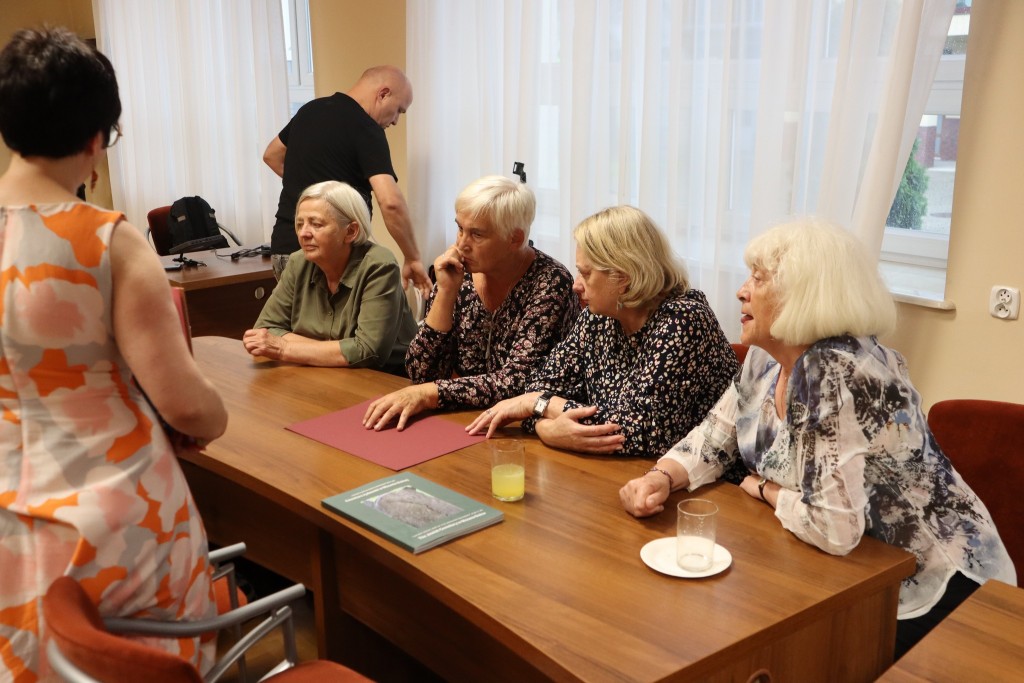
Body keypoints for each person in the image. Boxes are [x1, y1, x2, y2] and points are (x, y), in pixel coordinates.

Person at [618, 218, 1015, 658]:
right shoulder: (766, 361)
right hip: (847, 570)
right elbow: (713, 438)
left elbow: (833, 529)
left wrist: (765, 489)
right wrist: (661, 477)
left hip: (939, 589)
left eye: (758, 279)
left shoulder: (838, 371)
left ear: (802, 294)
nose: (741, 291)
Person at [0, 27, 228, 678]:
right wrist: (214, 414)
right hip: (113, 512)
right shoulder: (107, 241)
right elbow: (186, 404)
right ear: (96, 138)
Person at [468, 206, 738, 457]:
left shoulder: (684, 320)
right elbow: (538, 387)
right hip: (618, 472)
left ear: (623, 278)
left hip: (700, 481)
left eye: (586, 274)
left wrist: (539, 406)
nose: (576, 285)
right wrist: (544, 426)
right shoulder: (597, 317)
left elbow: (641, 431)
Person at [363, 175, 580, 430]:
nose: (461, 244)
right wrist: (446, 292)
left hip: (525, 428)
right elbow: (421, 373)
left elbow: (518, 382)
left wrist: (431, 393)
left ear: (515, 239)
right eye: (460, 229)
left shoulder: (551, 281)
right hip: (462, 420)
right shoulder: (458, 274)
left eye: (476, 234)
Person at [263, 65, 431, 296]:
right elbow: (391, 202)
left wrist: (310, 188)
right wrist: (413, 257)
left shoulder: (310, 110)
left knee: (296, 319)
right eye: (399, 110)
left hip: (284, 250)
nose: (395, 121)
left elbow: (272, 155)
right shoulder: (366, 128)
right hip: (327, 256)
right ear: (383, 94)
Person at [243, 180, 417, 371]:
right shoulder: (298, 262)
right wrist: (333, 351)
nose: (303, 233)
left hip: (386, 378)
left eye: (316, 224)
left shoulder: (379, 266)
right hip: (322, 371)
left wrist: (284, 348)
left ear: (350, 231)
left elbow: (367, 351)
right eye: (299, 224)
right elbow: (265, 329)